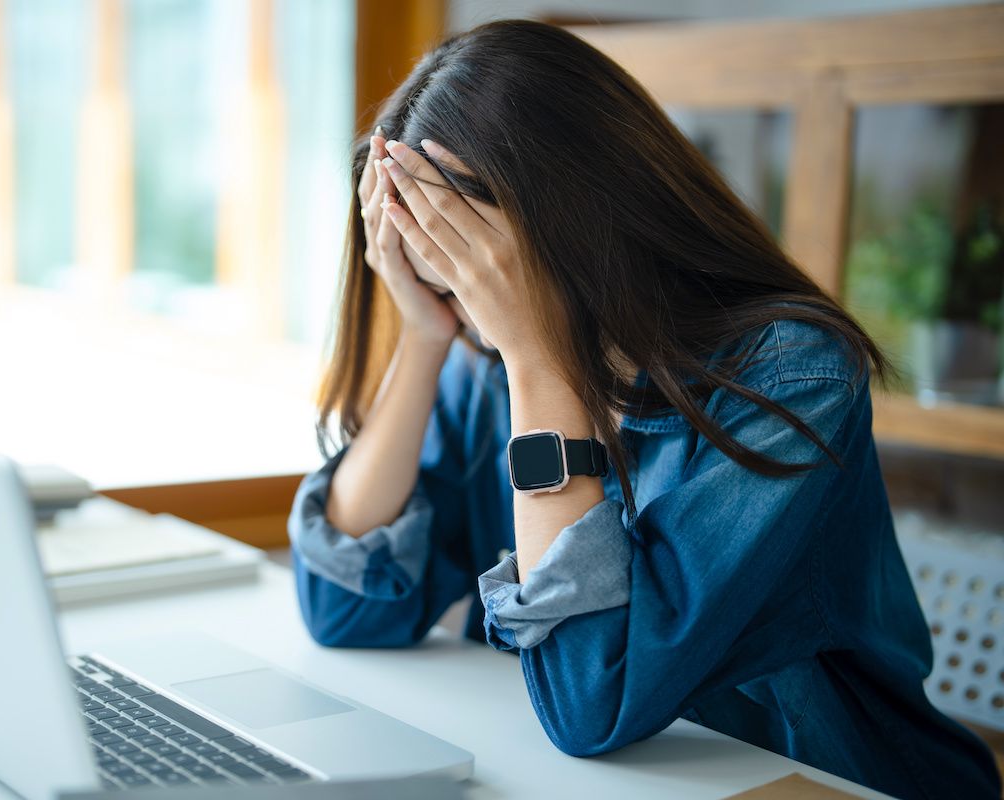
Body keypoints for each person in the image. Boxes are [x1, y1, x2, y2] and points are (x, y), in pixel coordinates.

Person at [285, 18, 1001, 800]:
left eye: (471, 276)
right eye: (441, 286)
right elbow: (342, 608)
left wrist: (536, 358)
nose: (469, 320)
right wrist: (424, 338)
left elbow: (592, 701)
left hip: (824, 780)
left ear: (576, 212)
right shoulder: (482, 356)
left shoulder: (794, 373)